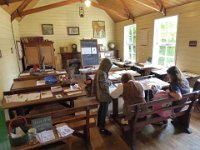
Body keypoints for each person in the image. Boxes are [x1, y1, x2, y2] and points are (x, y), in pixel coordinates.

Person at [92, 58, 113, 136]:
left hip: (99, 94)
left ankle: (99, 124)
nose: (109, 68)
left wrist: (107, 80)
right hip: (103, 95)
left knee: (101, 109)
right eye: (109, 66)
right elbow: (104, 86)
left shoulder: (99, 71)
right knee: (104, 111)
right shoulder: (102, 73)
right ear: (106, 65)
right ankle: (102, 128)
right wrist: (109, 82)